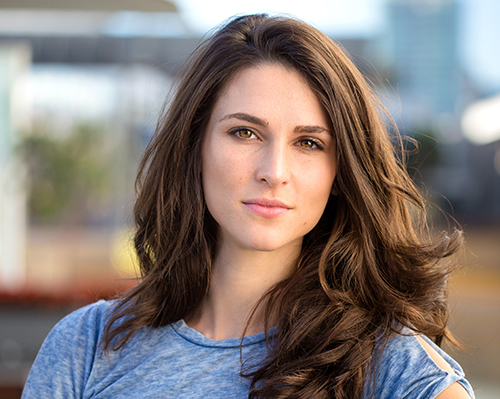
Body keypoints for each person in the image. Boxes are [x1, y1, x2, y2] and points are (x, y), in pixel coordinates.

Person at [22, 14, 474, 399]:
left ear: (340, 174)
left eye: (309, 143)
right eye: (245, 133)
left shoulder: (394, 369)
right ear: (194, 145)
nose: (273, 171)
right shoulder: (85, 346)